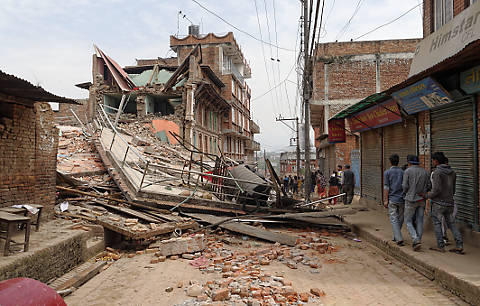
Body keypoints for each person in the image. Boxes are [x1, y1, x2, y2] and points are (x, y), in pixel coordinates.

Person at [425, 152, 464, 254]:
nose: (432, 162)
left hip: (438, 204)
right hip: (450, 202)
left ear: (436, 161)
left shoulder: (437, 172)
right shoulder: (453, 173)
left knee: (437, 223)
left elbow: (436, 190)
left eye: (433, 160)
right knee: (451, 224)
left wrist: (427, 196)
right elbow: (453, 190)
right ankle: (459, 245)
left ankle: (440, 246)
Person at [402, 155, 431, 251]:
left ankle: (415, 239)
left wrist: (407, 192)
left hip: (410, 200)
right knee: (420, 220)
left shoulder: (407, 171)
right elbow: (429, 186)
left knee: (408, 220)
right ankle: (418, 240)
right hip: (421, 200)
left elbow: (405, 186)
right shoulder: (425, 172)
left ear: (409, 162)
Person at [384, 154, 405, 246]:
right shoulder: (403, 172)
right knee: (400, 218)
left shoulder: (387, 172)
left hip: (392, 198)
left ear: (390, 162)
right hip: (402, 199)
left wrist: (386, 200)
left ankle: (399, 238)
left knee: (393, 218)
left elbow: (386, 187)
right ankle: (396, 236)